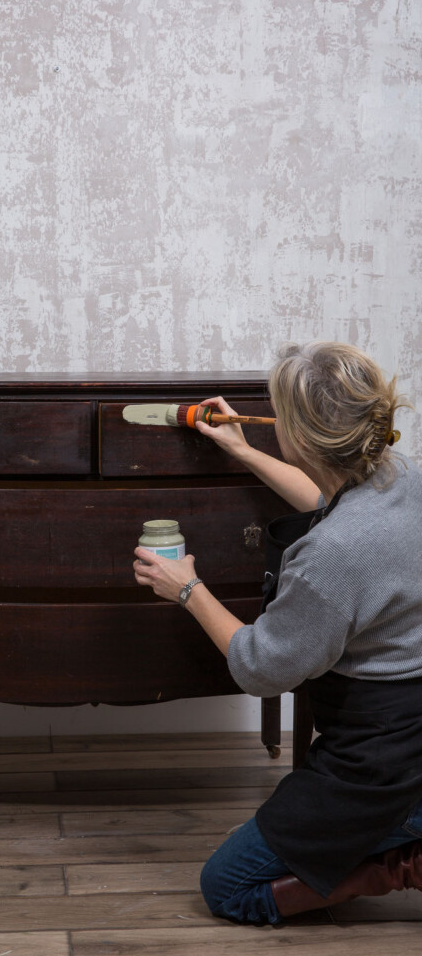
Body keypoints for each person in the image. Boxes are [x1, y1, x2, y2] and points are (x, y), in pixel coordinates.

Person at [133, 341, 422, 925]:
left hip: (382, 758)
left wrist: (187, 589)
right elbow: (332, 502)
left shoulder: (331, 557)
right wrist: (244, 453)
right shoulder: (402, 475)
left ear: (301, 436)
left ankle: (406, 863)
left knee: (229, 887)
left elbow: (260, 668)